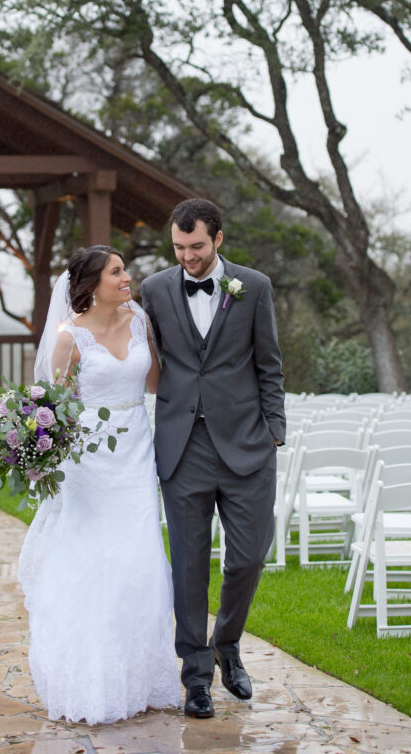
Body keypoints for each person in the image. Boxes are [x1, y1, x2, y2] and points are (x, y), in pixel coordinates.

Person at [17, 245, 180, 725]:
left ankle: (141, 679)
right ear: (91, 284)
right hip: (89, 464)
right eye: (117, 272)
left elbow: (153, 384)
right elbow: (55, 412)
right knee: (92, 564)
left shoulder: (140, 322)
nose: (127, 277)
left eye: (124, 269)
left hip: (135, 455)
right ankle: (89, 682)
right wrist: (38, 454)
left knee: (140, 561)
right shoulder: (70, 338)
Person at [141, 199, 285, 719]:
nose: (188, 257)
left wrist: (275, 432)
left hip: (247, 445)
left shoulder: (255, 287)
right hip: (183, 447)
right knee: (189, 568)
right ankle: (196, 678)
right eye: (179, 248)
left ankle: (228, 642)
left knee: (248, 557)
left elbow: (270, 364)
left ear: (218, 239)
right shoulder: (155, 289)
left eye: (197, 246)